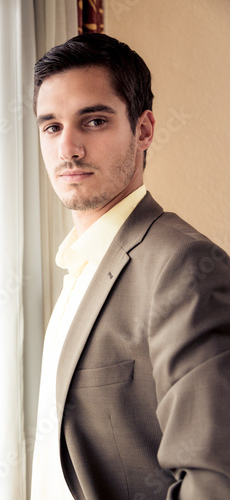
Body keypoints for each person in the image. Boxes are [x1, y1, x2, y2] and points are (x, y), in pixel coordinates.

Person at [30, 33, 230, 500]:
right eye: (51, 127)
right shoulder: (78, 263)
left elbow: (214, 480)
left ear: (144, 130)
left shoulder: (183, 266)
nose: (68, 150)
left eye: (93, 121)